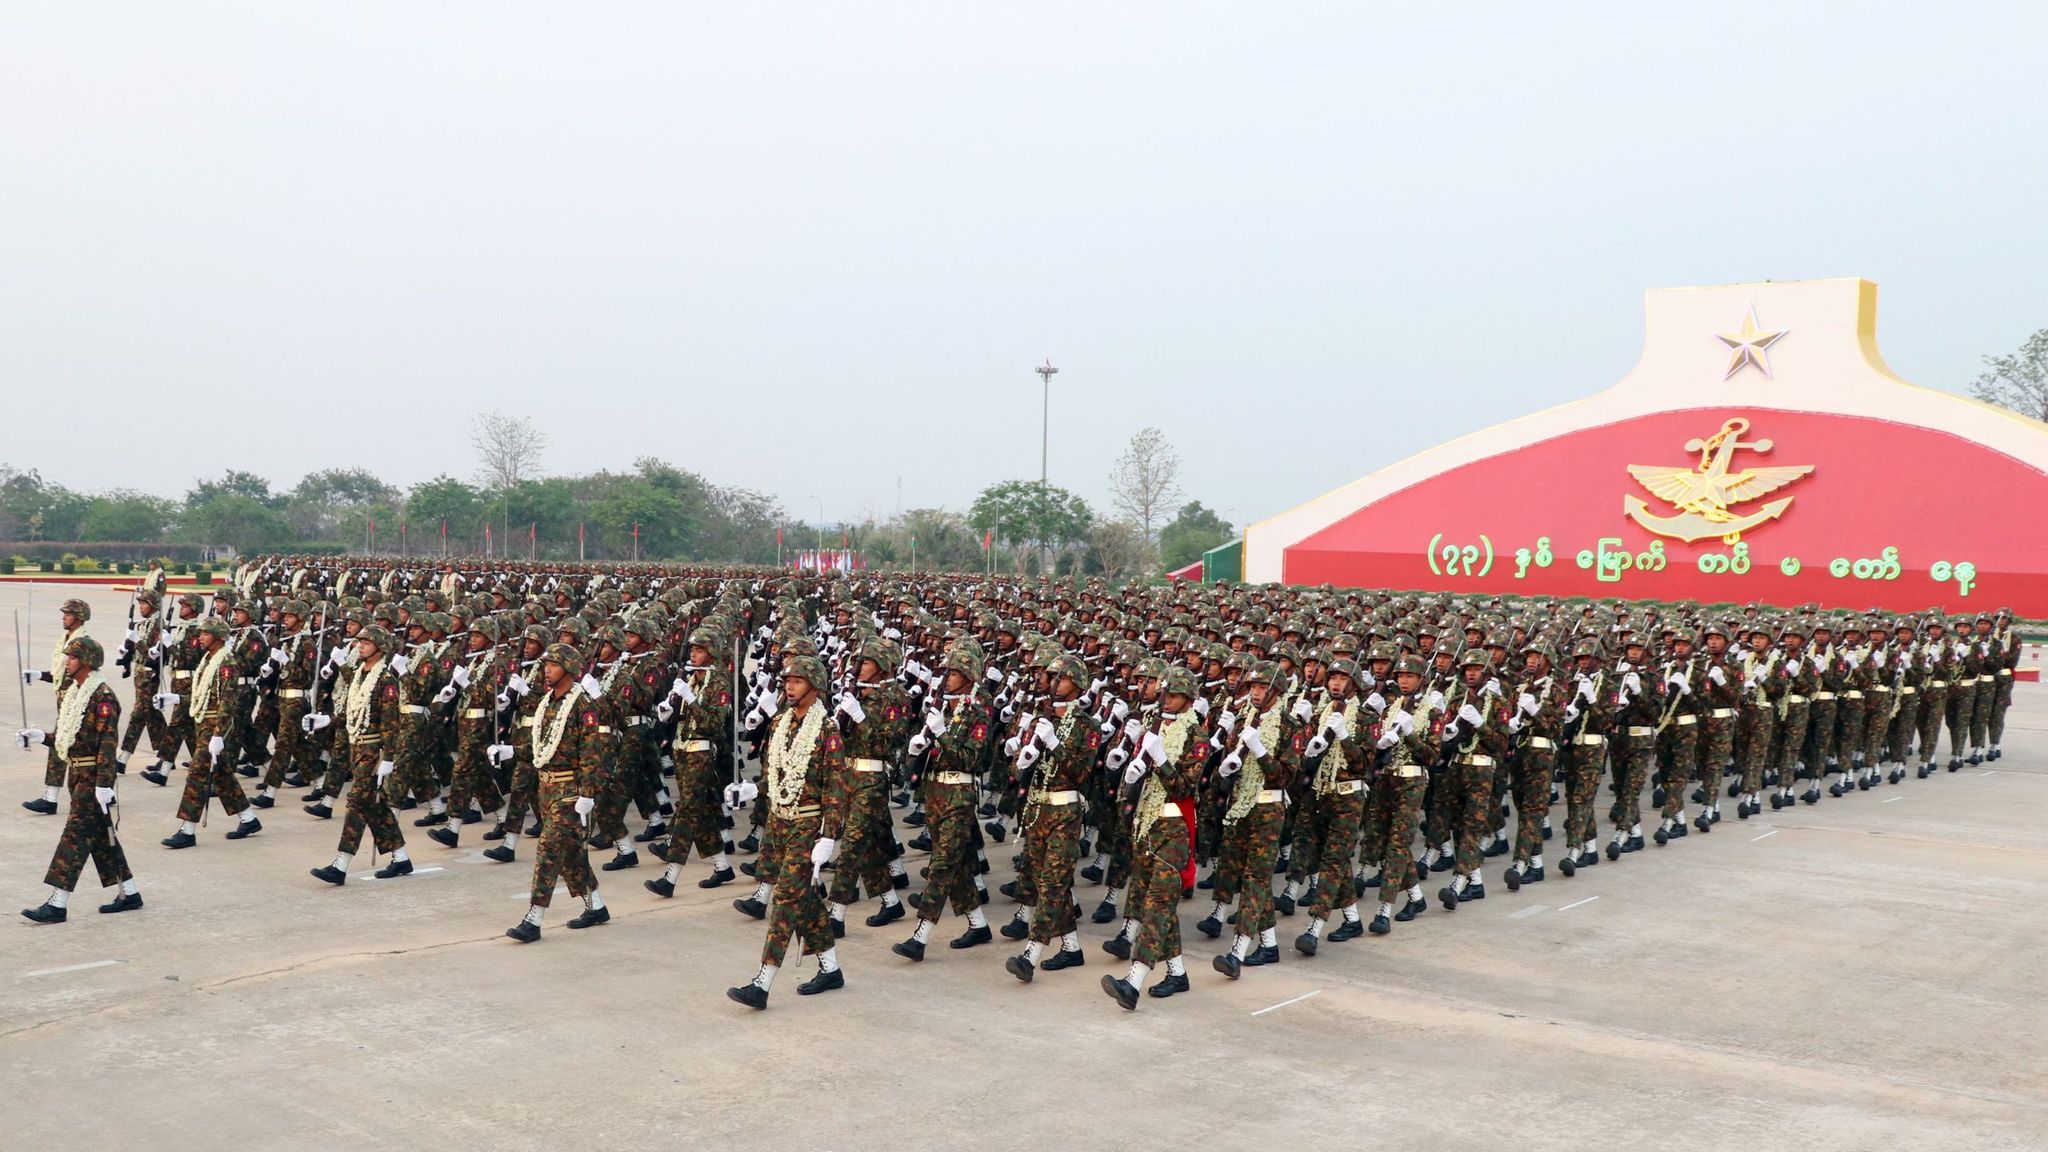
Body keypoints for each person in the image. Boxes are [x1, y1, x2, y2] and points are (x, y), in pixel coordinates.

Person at [726, 656, 850, 1009]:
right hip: (780, 821)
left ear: (814, 686)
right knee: (804, 900)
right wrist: (753, 790)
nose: (788, 686)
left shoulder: (827, 731)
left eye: (797, 680)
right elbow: (773, 774)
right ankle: (831, 968)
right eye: (787, 680)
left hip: (808, 825)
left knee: (784, 901)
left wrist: (828, 835)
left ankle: (762, 983)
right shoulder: (780, 722)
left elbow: (835, 789)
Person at [19, 637, 143, 922]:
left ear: (86, 661)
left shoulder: (102, 698)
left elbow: (107, 745)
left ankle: (57, 903)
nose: (67, 662)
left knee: (74, 837)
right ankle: (130, 892)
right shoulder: (76, 692)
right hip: (77, 774)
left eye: (72, 658)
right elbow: (70, 738)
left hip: (93, 778)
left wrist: (103, 784)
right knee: (101, 837)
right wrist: (42, 738)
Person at [502, 644, 610, 940]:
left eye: (553, 664)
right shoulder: (548, 702)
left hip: (570, 791)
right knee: (572, 855)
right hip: (546, 788)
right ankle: (596, 906)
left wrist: (587, 794)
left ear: (570, 668)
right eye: (546, 664)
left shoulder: (582, 705)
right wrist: (511, 750)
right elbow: (542, 749)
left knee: (548, 851)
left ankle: (534, 919)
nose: (546, 669)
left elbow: (591, 754)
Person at [309, 626, 418, 885]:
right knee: (375, 807)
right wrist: (326, 720)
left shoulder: (386, 680)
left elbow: (392, 724)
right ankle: (401, 858)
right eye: (359, 641)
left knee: (356, 803)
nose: (360, 646)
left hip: (373, 752)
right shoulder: (360, 673)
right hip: (356, 748)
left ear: (379, 647)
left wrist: (388, 758)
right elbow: (352, 711)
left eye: (366, 642)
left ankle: (340, 864)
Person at [163, 619, 262, 848]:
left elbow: (228, 702)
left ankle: (187, 830)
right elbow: (203, 695)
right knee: (222, 775)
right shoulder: (208, 660)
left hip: (216, 726)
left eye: (206, 634)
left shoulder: (226, 662)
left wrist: (218, 735)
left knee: (197, 774)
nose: (201, 638)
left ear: (218, 637)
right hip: (203, 723)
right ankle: (249, 819)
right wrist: (177, 698)